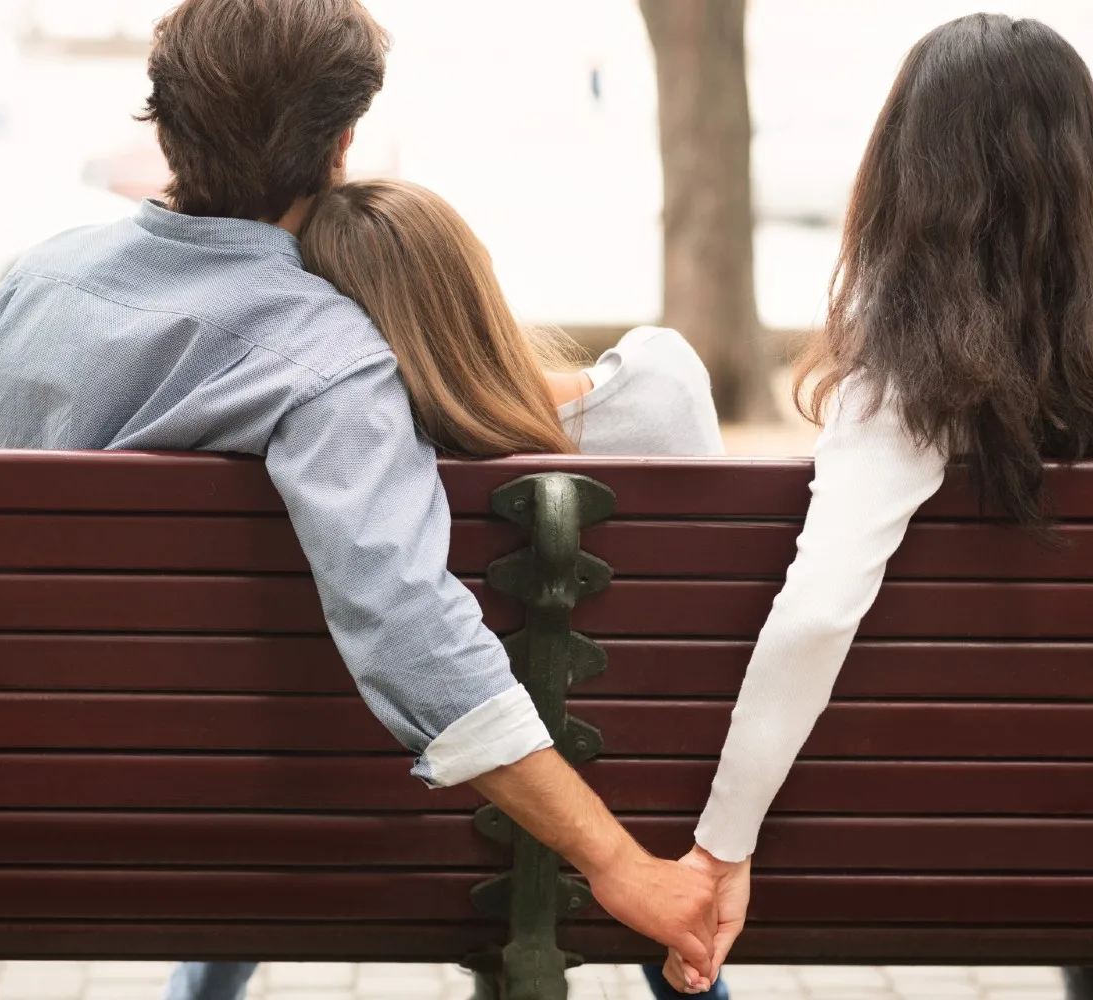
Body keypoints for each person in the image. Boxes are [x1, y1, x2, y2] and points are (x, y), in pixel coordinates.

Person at [0, 0, 718, 983]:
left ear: (165, 120)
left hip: (28, 788)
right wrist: (619, 862)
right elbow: (403, 621)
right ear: (345, 140)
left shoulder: (38, 280)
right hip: (277, 816)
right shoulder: (328, 360)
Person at [656, 15, 1093, 999]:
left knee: (676, 917)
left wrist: (717, 847)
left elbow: (821, 608)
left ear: (906, 186)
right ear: (1088, 185)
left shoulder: (898, 394)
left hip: (899, 843)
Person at [168, 178, 730, 1000]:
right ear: (478, 278)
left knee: (277, 806)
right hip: (620, 811)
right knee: (626, 749)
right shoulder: (661, 381)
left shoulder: (317, 462)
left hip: (359, 828)